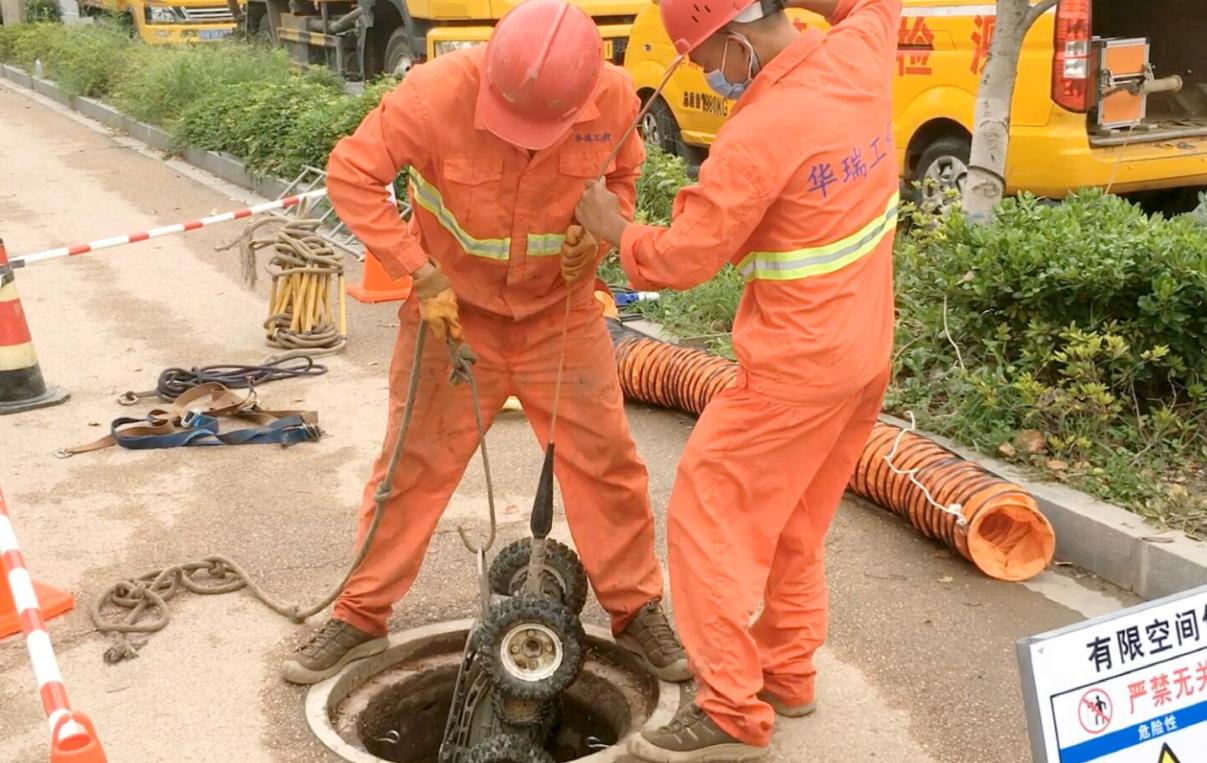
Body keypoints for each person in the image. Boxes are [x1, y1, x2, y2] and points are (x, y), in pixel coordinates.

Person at [282, 0, 690, 688]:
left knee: (608, 470)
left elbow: (620, 177)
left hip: (559, 319)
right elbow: (352, 175)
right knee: (408, 472)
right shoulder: (433, 95)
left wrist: (595, 230)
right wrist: (420, 270)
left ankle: (635, 607)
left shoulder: (612, 97)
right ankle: (360, 613)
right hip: (454, 321)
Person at [573, 0, 901, 758]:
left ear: (737, 41)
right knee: (792, 518)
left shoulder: (757, 133)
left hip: (794, 367)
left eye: (702, 55)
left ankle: (729, 708)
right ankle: (785, 671)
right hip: (863, 349)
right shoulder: (856, 53)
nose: (704, 72)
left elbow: (683, 259)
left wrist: (613, 228)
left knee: (707, 518)